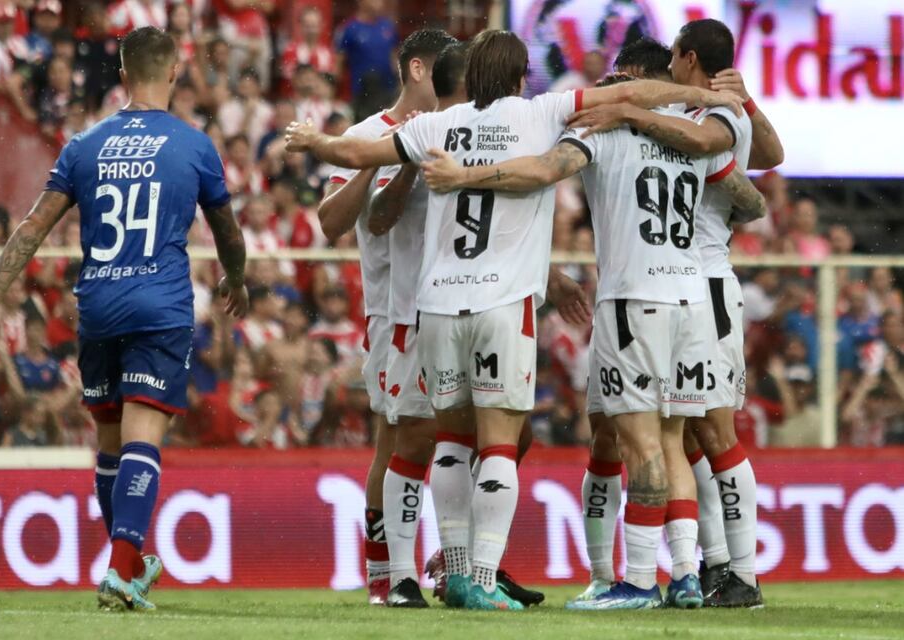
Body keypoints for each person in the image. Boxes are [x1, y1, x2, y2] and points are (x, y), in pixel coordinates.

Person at [286, 29, 741, 611]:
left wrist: (313, 140)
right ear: (522, 75)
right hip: (504, 303)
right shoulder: (540, 113)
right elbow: (628, 97)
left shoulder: (437, 126)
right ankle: (479, 577)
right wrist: (707, 98)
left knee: (450, 442)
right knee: (500, 443)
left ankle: (454, 572)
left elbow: (354, 155)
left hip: (439, 304)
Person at [417, 62, 765, 616]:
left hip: (633, 301)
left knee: (639, 442)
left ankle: (637, 581)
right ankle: (685, 575)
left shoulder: (603, 131)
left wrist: (463, 176)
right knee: (671, 438)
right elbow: (752, 202)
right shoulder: (692, 135)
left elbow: (543, 170)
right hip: (692, 300)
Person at [0, 27, 248, 612]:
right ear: (174, 73)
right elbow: (227, 230)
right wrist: (236, 278)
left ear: (122, 76)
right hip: (160, 306)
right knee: (143, 437)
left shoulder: (84, 144)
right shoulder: (194, 144)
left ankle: (129, 564)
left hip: (97, 306)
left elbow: (33, 225)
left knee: (111, 446)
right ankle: (121, 570)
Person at [565, 22, 784, 608]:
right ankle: (698, 568)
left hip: (700, 283)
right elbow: (758, 174)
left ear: (685, 60)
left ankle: (734, 571)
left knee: (709, 432)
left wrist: (630, 110)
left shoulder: (710, 116)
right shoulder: (690, 113)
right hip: (676, 285)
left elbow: (753, 158)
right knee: (672, 435)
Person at [368, 41, 548, 609]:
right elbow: (372, 218)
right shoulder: (406, 134)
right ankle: (397, 576)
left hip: (467, 301)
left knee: (499, 436)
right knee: (415, 439)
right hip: (412, 310)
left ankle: (462, 565)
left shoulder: (478, 130)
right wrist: (403, 164)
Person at [306, 28, 456, 605]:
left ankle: (453, 559)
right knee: (395, 442)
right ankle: (386, 572)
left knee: (475, 436)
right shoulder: (364, 135)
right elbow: (332, 222)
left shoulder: (458, 129)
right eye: (446, 69)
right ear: (418, 69)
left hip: (454, 309)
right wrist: (377, 161)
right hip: (396, 314)